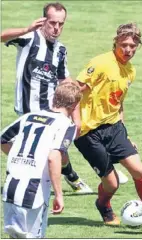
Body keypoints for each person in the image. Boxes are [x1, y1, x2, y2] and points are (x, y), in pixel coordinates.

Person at [74, 23, 142, 231]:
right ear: (116, 41)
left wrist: (124, 134)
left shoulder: (130, 71)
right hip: (89, 133)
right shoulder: (100, 63)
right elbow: (75, 90)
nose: (128, 50)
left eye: (133, 46)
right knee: (112, 184)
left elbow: (118, 102)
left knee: (139, 170)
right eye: (124, 44)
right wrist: (75, 123)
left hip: (114, 128)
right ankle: (103, 204)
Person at [1, 2, 93, 194]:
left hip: (52, 110)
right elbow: (2, 36)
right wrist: (26, 28)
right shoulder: (28, 37)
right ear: (43, 20)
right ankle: (63, 176)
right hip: (26, 109)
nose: (56, 28)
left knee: (56, 149)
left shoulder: (60, 50)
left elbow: (64, 80)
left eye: (61, 24)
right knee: (9, 142)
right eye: (52, 23)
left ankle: (68, 177)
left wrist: (76, 116)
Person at [1, 81, 83, 238]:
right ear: (73, 105)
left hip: (10, 187)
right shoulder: (66, 125)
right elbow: (54, 157)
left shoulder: (28, 116)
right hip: (34, 191)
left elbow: (3, 139)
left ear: (54, 98)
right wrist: (59, 194)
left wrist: (20, 156)